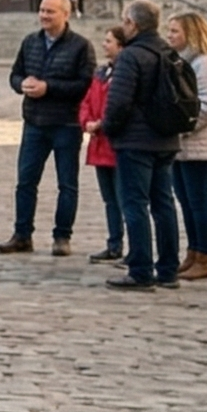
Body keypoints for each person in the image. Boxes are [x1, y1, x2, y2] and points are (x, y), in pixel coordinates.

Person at [0, 0, 95, 256]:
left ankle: (62, 236)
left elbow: (85, 85)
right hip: (34, 123)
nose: (44, 16)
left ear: (66, 13)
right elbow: (15, 74)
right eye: (41, 10)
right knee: (26, 182)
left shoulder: (81, 46)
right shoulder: (30, 42)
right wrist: (22, 85)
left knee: (67, 184)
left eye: (50, 11)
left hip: (66, 124)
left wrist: (48, 88)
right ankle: (22, 235)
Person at [100, 0, 182, 291]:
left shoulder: (131, 56)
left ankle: (141, 270)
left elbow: (118, 101)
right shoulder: (169, 52)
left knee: (134, 204)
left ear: (133, 24)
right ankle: (169, 270)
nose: (123, 25)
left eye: (125, 21)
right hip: (166, 137)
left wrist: (107, 128)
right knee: (164, 204)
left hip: (136, 140)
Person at [167, 12, 207, 282]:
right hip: (182, 146)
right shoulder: (183, 62)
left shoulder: (206, 64)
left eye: (175, 31)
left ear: (190, 34)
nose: (169, 36)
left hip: (200, 144)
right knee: (186, 202)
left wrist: (182, 125)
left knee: (200, 201)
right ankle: (193, 252)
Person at [80, 26, 125, 265]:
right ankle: (114, 242)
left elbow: (120, 105)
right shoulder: (101, 72)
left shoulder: (126, 73)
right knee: (109, 199)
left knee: (124, 198)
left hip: (116, 144)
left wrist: (103, 124)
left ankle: (135, 246)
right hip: (99, 145)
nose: (104, 44)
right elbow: (87, 100)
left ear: (121, 45)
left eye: (109, 41)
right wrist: (86, 122)